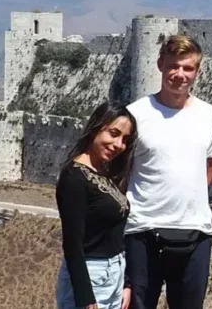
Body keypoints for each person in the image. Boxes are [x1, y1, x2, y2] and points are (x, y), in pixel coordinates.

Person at [123, 35, 212, 309]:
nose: (180, 75)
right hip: (143, 229)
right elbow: (123, 171)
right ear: (160, 65)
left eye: (188, 68)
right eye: (173, 66)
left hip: (194, 231)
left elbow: (209, 169)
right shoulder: (135, 114)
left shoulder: (210, 116)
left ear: (197, 71)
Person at [55, 102, 137, 309]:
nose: (118, 144)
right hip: (91, 277)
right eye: (113, 133)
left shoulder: (105, 173)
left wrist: (125, 283)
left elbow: (114, 233)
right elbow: (73, 244)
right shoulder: (74, 177)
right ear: (96, 128)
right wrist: (85, 298)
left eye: (125, 139)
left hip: (113, 275)